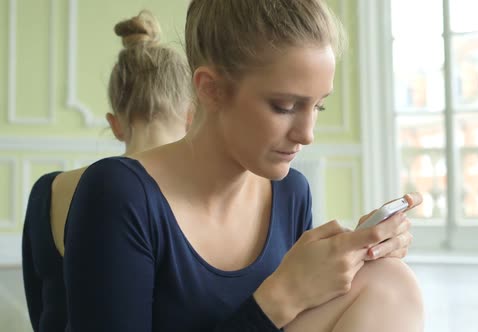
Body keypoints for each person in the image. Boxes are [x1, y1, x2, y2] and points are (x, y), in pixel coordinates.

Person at [64, 1, 424, 331]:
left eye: (318, 107)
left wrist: (353, 256)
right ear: (210, 89)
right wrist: (281, 296)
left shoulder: (290, 192)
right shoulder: (118, 194)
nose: (307, 134)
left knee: (387, 280)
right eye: (284, 106)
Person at [21, 10, 193, 332]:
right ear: (191, 116)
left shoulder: (48, 190)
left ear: (114, 124)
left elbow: (40, 310)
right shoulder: (194, 197)